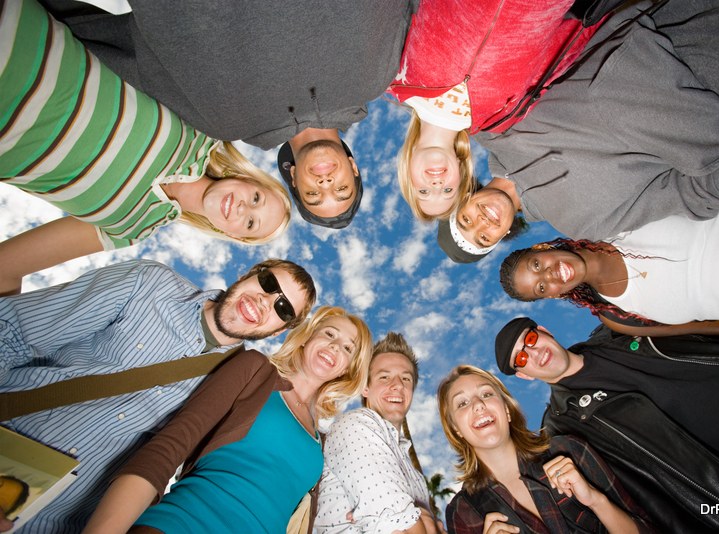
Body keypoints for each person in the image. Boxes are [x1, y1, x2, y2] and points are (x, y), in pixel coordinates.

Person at [440, 0, 719, 260]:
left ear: (463, 197)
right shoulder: (582, 223)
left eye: (465, 219)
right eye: (483, 237)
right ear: (502, 236)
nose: (481, 222)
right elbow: (695, 193)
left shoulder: (493, 127)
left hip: (716, 15)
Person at [0, 257, 315, 533]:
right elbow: (12, 332)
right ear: (248, 274)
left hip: (62, 519)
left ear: (278, 331)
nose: (265, 301)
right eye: (268, 283)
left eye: (283, 308)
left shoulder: (238, 383)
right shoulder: (149, 284)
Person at [0, 0, 292, 296]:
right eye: (256, 198)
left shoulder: (130, 229)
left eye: (251, 223)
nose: (244, 208)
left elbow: (6, 265)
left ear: (233, 235)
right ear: (246, 178)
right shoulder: (201, 127)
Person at [41, 0, 418, 228]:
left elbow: (110, 53)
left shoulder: (221, 121)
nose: (325, 183)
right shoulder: (376, 75)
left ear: (292, 176)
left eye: (313, 194)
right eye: (341, 189)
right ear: (353, 168)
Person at [494, 317, 719, 531]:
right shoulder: (564, 429)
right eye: (521, 359)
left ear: (544, 331)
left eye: (530, 339)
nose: (533, 353)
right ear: (524, 375)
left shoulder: (617, 330)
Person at [83, 306, 372, 533]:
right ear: (307, 338)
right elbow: (170, 446)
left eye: (348, 348)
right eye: (329, 334)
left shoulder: (321, 443)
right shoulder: (255, 370)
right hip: (184, 524)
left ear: (348, 369)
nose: (336, 347)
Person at [390, 0, 601, 222]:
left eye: (423, 191)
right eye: (447, 191)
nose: (436, 184)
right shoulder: (502, 118)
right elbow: (569, 42)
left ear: (407, 174)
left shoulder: (397, 73)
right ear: (461, 174)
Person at [499, 185, 719, 339]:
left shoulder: (608, 220)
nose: (550, 275)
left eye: (536, 265)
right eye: (541, 288)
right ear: (552, 296)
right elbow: (717, 328)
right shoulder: (617, 317)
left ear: (540, 248)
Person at [438, 365, 651, 533]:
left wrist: (597, 501)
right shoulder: (463, 510)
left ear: (507, 410)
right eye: (462, 403)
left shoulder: (568, 449)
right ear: (456, 429)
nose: (478, 405)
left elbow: (646, 528)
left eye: (486, 394)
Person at [316, 332, 437, 533]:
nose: (398, 385)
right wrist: (420, 518)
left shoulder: (416, 476)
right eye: (384, 377)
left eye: (406, 378)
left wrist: (425, 519)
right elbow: (402, 528)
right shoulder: (354, 425)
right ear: (365, 388)